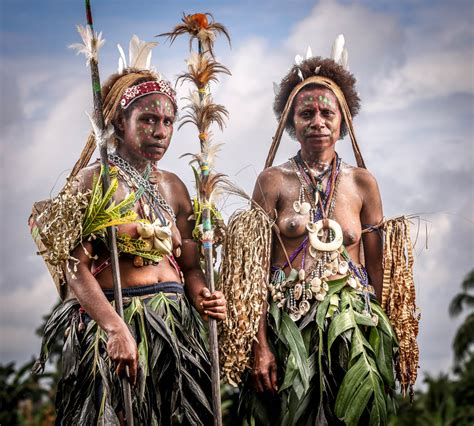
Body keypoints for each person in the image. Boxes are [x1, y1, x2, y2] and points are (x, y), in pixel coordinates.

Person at [34, 64, 226, 425]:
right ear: (121, 122)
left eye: (168, 121)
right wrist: (114, 328)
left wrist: (203, 295)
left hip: (174, 328)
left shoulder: (175, 187)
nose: (160, 131)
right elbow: (74, 269)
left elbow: (191, 268)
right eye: (148, 119)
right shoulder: (94, 181)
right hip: (119, 320)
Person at [239, 39, 398, 425]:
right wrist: (260, 345)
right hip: (287, 330)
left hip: (354, 331)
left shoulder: (363, 184)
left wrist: (390, 342)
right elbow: (253, 272)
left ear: (343, 121)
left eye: (327, 113)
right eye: (305, 113)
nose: (317, 122)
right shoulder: (272, 181)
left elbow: (380, 271)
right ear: (290, 123)